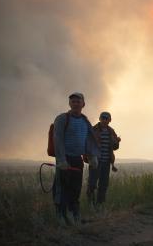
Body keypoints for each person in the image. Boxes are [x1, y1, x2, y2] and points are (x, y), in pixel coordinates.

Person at [52, 92, 99, 225]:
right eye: (73, 101)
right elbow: (58, 139)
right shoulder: (62, 118)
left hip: (77, 160)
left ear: (83, 104)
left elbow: (89, 140)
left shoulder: (85, 121)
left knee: (76, 188)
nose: (75, 103)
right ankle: (61, 217)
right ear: (69, 104)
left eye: (78, 101)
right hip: (65, 159)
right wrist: (61, 160)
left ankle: (75, 216)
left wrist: (92, 157)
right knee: (62, 189)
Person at [87, 111, 121, 206]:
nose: (105, 120)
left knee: (103, 185)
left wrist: (117, 142)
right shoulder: (94, 129)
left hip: (106, 162)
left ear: (110, 120)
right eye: (103, 117)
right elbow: (88, 144)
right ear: (100, 118)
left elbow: (115, 147)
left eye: (107, 118)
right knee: (92, 184)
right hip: (95, 161)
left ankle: (100, 205)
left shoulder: (111, 131)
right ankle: (91, 205)